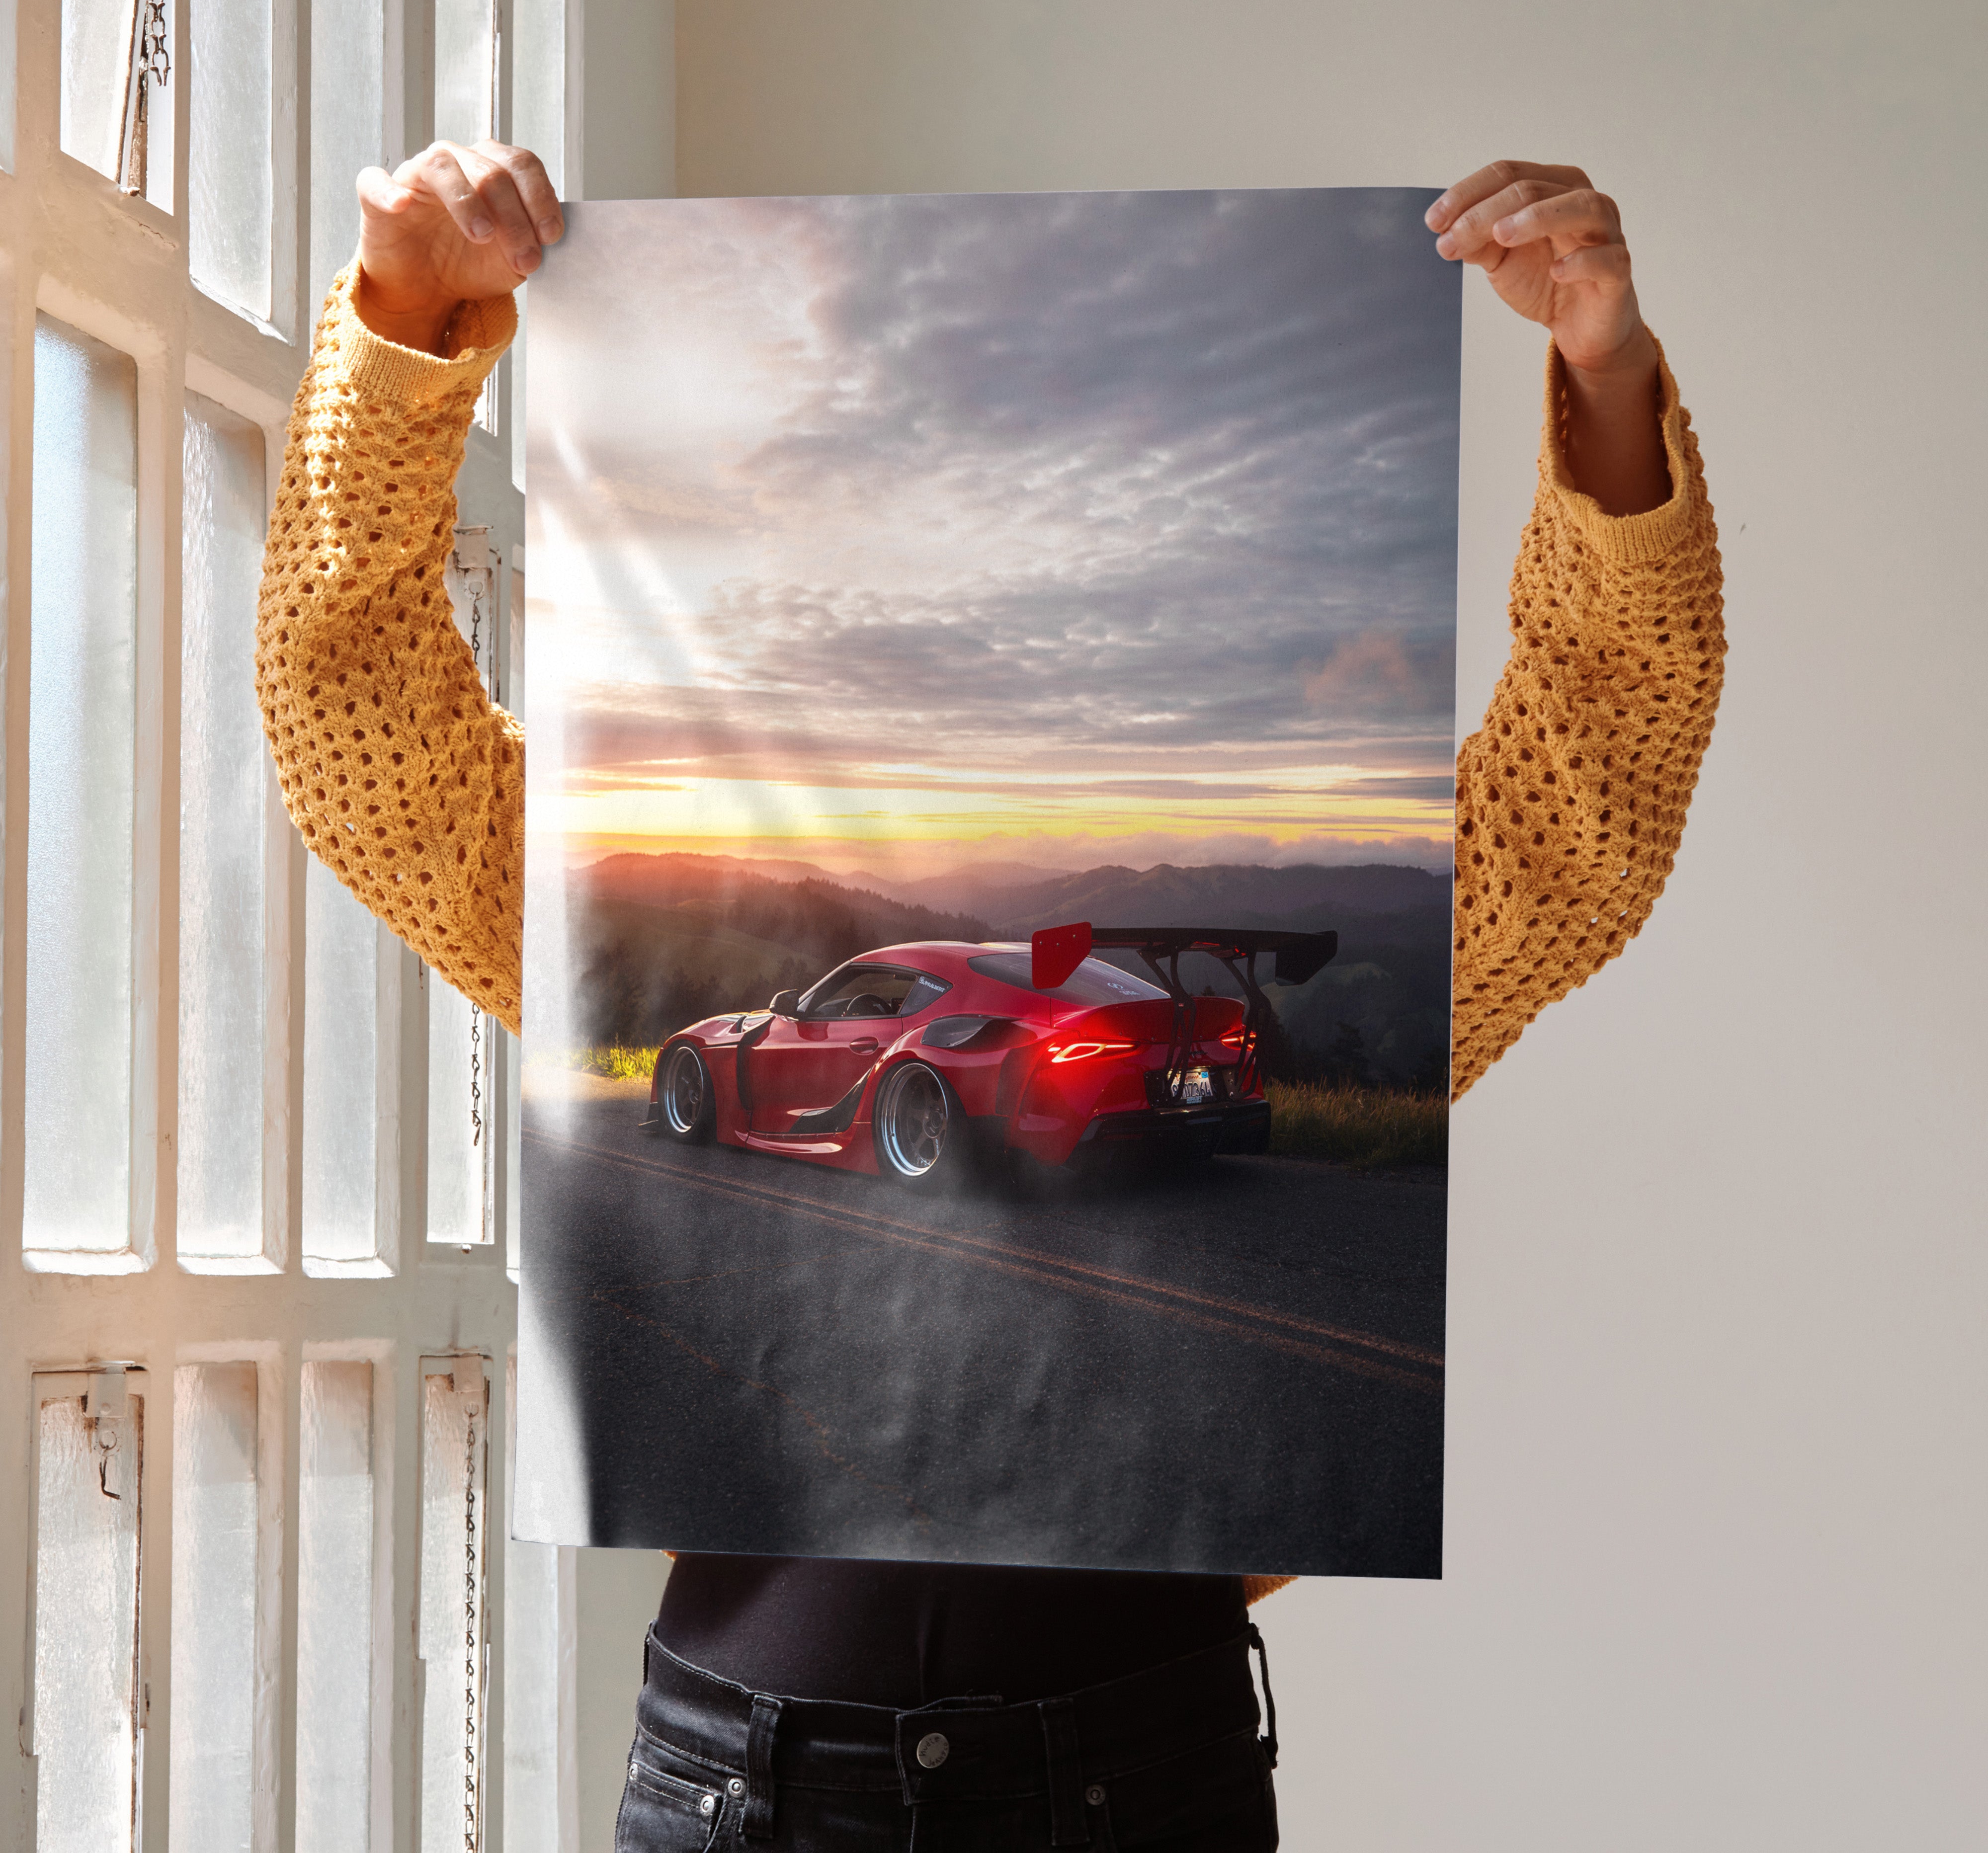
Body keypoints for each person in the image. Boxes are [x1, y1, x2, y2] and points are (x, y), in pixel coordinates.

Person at [256, 144, 1723, 1850]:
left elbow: (1589, 799)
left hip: (1124, 1769)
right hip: (759, 1780)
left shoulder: (1022, 1003)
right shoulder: (621, 899)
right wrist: (403, 326)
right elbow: (359, 733)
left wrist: (1606, 376)